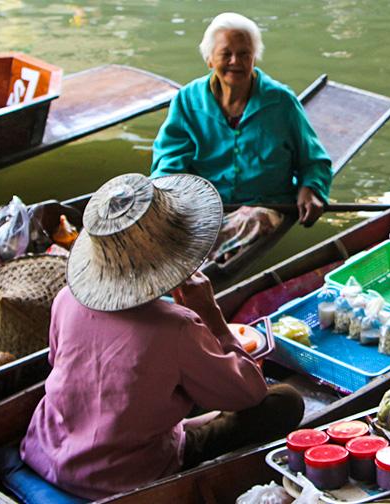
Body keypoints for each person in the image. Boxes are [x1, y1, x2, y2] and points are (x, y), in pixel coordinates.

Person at [15, 173, 304, 501]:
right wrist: (212, 315)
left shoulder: (66, 298)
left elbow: (59, 364)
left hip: (44, 449)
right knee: (284, 401)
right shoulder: (176, 326)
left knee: (171, 385)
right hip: (123, 475)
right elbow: (249, 394)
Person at [151, 13, 333, 260]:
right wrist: (162, 203)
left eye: (245, 54)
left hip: (266, 206)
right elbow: (169, 161)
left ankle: (192, 258)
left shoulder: (280, 102)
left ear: (254, 58)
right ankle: (192, 252)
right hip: (205, 208)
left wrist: (310, 188)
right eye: (226, 54)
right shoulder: (188, 100)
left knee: (253, 219)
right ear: (209, 59)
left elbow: (314, 160)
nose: (235, 61)